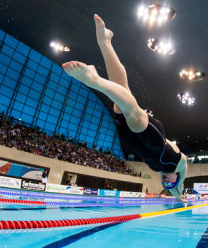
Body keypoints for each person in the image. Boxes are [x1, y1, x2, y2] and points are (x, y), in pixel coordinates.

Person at [62, 14, 187, 202]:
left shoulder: (160, 170)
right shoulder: (180, 166)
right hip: (154, 140)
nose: (166, 184)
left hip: (136, 143)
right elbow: (180, 185)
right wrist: (179, 193)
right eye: (170, 184)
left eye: (165, 186)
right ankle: (94, 80)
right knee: (132, 114)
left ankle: (106, 42)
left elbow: (176, 192)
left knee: (120, 98)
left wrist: (178, 199)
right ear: (176, 179)